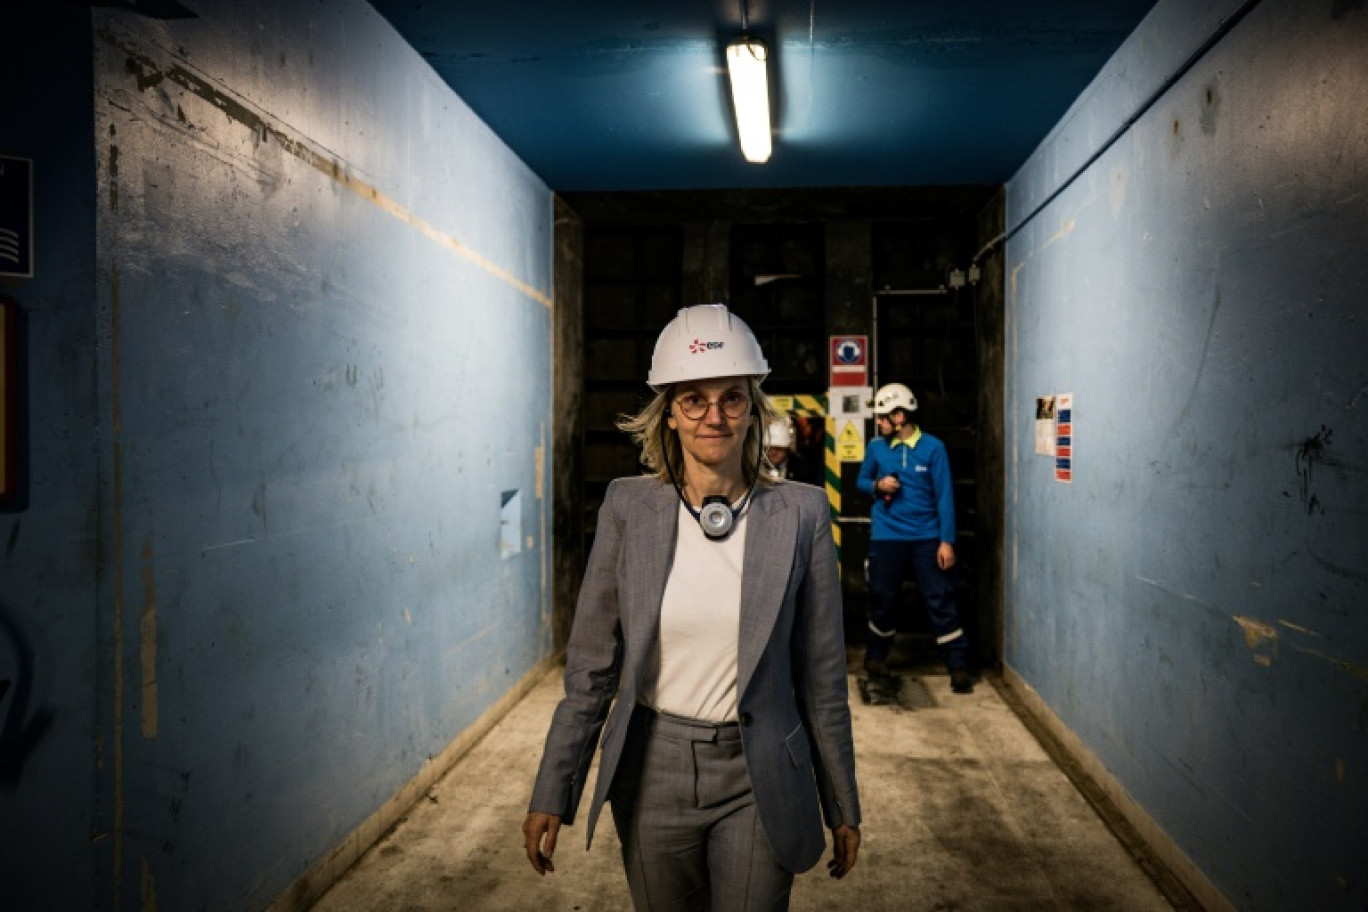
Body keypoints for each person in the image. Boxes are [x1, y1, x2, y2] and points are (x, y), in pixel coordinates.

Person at [523, 304, 862, 910]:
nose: (714, 415)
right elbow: (592, 669)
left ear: (753, 411)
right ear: (669, 415)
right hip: (652, 770)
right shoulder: (629, 509)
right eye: (693, 400)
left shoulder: (803, 514)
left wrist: (840, 801)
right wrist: (554, 787)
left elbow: (823, 678)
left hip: (758, 773)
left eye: (732, 398)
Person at [855, 382, 973, 694]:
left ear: (899, 415)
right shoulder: (876, 448)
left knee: (940, 598)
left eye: (882, 416)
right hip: (887, 535)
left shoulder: (933, 448)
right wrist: (878, 486)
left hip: (927, 536)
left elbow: (945, 496)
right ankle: (875, 657)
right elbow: (861, 480)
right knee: (884, 597)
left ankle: (958, 666)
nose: (878, 422)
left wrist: (946, 541)